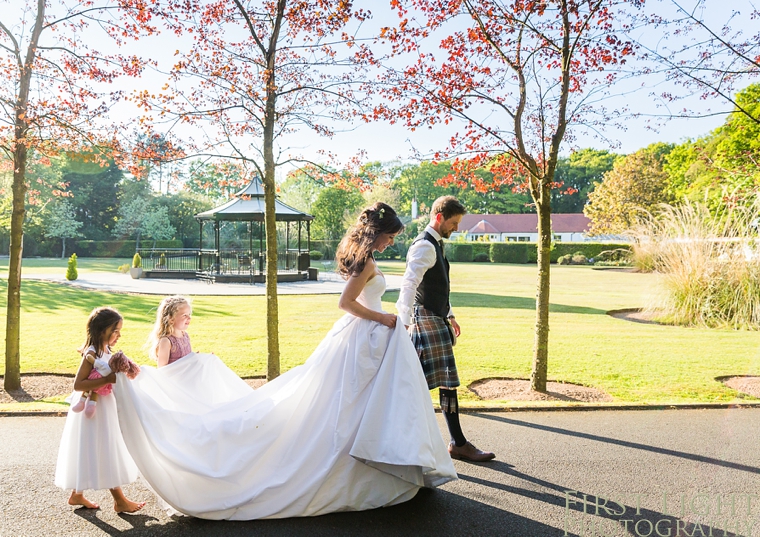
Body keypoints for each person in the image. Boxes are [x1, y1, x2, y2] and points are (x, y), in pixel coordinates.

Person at [112, 202, 456, 520]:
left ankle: (373, 463)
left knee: (361, 406)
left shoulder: (366, 259)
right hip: (364, 334)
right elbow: (346, 303)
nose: (390, 243)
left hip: (368, 338)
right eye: (390, 237)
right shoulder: (365, 262)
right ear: (377, 233)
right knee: (342, 406)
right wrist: (381, 319)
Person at [396, 196, 496, 462]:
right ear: (439, 217)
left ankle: (454, 442)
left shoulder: (434, 244)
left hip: (434, 316)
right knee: (435, 382)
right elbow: (408, 285)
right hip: (424, 318)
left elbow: (436, 286)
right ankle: (451, 443)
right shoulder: (424, 247)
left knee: (436, 382)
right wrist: (403, 322)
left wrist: (450, 315)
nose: (456, 228)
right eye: (453, 223)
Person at [54, 307, 146, 513]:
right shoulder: (92, 353)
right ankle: (120, 501)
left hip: (104, 406)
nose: (119, 335)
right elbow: (78, 384)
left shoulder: (107, 351)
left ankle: (77, 494)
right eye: (116, 330)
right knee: (105, 448)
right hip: (92, 410)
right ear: (103, 330)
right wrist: (107, 379)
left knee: (94, 448)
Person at [145, 296, 193, 367]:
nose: (189, 318)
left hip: (187, 377)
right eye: (184, 315)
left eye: (189, 314)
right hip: (174, 377)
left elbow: (188, 360)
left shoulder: (185, 336)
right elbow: (163, 370)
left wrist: (195, 358)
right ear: (171, 319)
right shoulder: (166, 341)